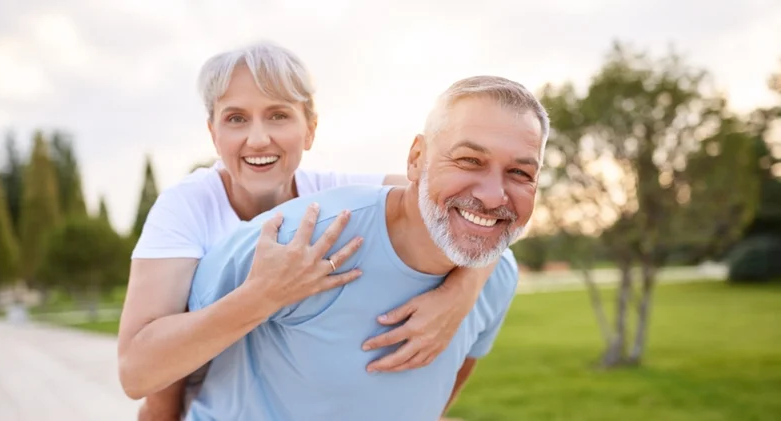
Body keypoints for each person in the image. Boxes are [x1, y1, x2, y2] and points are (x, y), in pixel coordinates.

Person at [117, 42, 500, 420]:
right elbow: (136, 374)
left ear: (310, 129)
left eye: (278, 115)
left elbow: (466, 209)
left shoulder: (337, 194)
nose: (258, 138)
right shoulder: (185, 207)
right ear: (213, 133)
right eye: (236, 119)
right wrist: (263, 296)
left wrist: (459, 295)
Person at [183, 75, 549, 421]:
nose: (493, 196)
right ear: (416, 158)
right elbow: (161, 369)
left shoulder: (496, 275)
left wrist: (464, 289)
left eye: (520, 173)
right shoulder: (294, 239)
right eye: (470, 160)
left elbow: (435, 398)